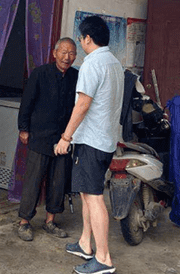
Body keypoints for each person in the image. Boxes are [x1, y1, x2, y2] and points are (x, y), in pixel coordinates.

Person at [55, 16, 124, 274]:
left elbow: (82, 104)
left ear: (87, 39)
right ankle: (86, 243)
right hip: (104, 140)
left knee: (94, 198)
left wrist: (65, 137)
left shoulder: (92, 64)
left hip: (92, 142)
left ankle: (104, 258)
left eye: (81, 39)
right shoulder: (114, 63)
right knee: (86, 193)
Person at [16, 37, 78, 241]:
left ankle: (50, 221)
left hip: (64, 139)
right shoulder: (40, 74)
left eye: (71, 53)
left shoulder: (76, 77)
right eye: (63, 52)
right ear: (54, 53)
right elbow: (27, 102)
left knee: (58, 181)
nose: (67, 57)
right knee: (33, 180)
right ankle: (24, 222)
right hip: (40, 136)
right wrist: (23, 128)